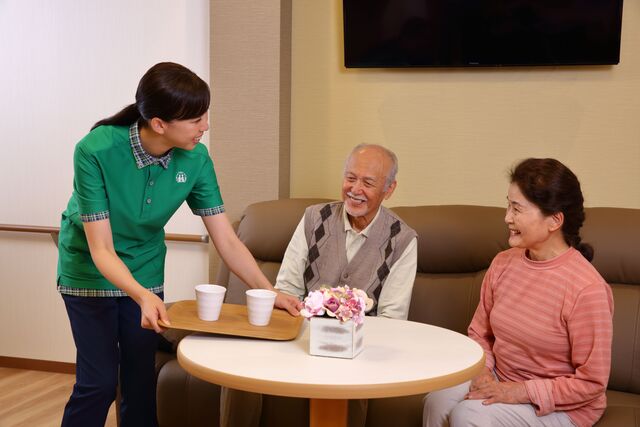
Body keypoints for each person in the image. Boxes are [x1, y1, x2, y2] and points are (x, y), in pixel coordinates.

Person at [57, 62, 301, 427]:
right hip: (90, 269)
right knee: (99, 383)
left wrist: (270, 291)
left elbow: (226, 239)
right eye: (196, 119)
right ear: (159, 124)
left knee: (140, 380)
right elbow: (102, 249)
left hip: (144, 265)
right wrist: (142, 296)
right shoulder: (96, 150)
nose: (206, 126)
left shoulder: (196, 158)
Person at [221, 143, 418, 427]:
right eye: (350, 178)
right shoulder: (314, 218)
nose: (355, 189)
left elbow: (392, 320)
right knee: (241, 371)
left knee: (352, 383)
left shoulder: (403, 240)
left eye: (368, 183)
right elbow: (286, 288)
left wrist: (343, 339)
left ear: (389, 189)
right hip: (301, 335)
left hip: (358, 346)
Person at [423, 158, 614, 427]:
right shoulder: (503, 262)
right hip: (501, 377)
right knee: (438, 400)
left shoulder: (587, 289)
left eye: (517, 209)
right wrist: (483, 372)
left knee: (469, 415)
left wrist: (520, 392)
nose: (507, 217)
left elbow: (592, 383)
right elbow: (480, 332)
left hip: (564, 406)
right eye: (508, 205)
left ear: (554, 220)